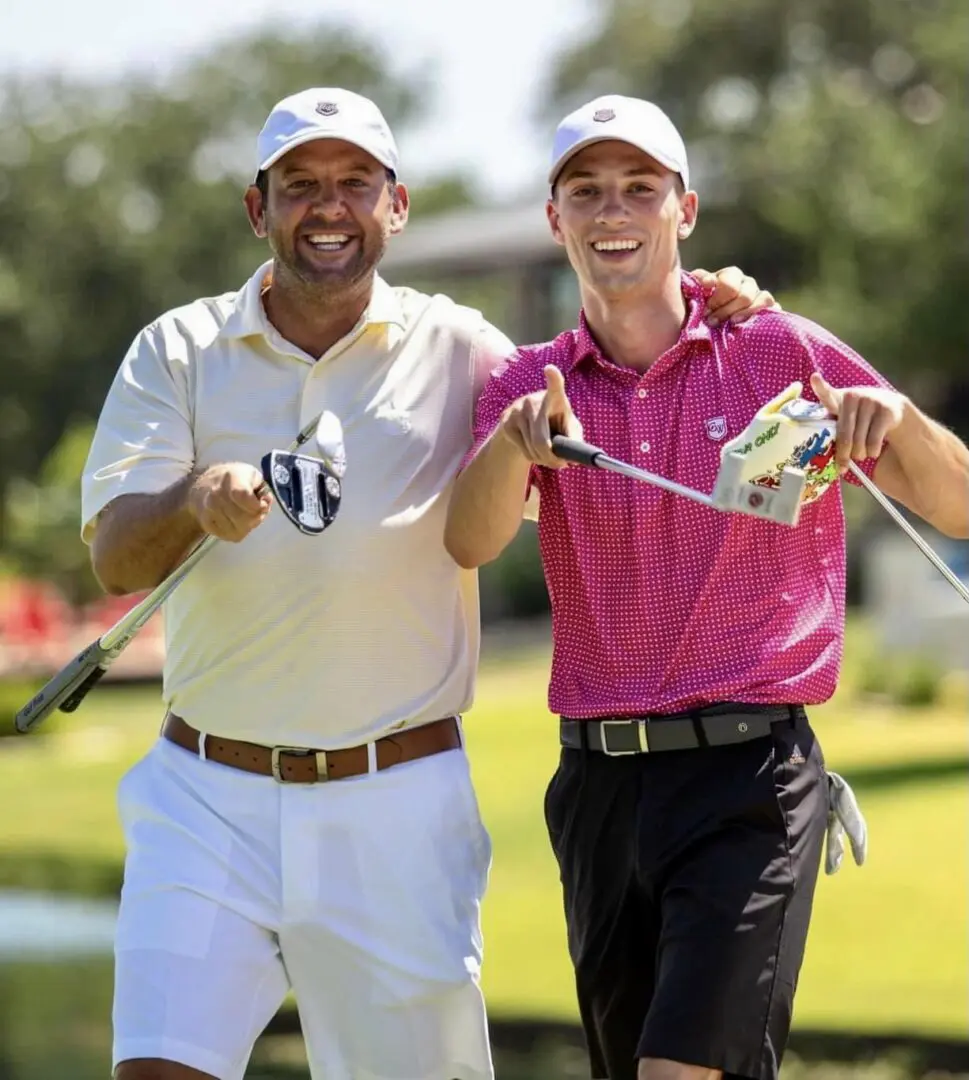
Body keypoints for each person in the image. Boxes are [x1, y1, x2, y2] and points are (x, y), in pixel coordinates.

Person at [81, 85, 778, 1080]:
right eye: (301, 186)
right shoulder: (178, 350)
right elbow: (113, 554)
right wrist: (194, 497)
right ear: (258, 208)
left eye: (354, 183)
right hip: (206, 795)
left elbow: (618, 367)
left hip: (395, 798)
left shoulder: (464, 349)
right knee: (158, 1067)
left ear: (395, 205)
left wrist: (715, 298)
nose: (329, 207)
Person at [444, 93, 969, 1080]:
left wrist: (892, 417)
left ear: (683, 211)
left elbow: (958, 504)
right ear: (553, 219)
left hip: (748, 780)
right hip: (598, 789)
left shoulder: (781, 353)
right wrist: (516, 446)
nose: (614, 213)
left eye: (640, 189)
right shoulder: (528, 384)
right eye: (587, 191)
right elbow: (467, 542)